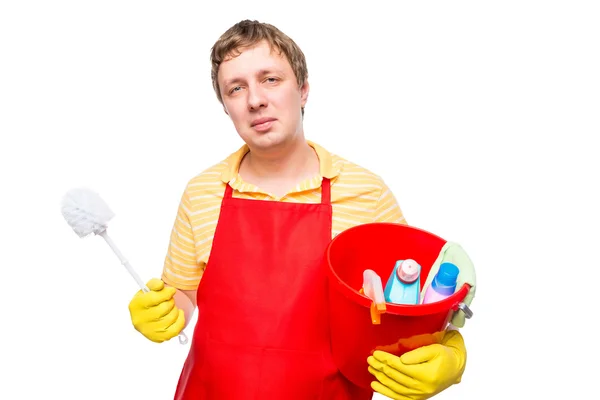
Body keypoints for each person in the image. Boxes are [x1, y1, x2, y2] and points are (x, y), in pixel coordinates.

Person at [127, 19, 467, 400]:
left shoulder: (366, 194)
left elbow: (416, 302)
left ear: (303, 90)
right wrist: (165, 309)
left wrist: (452, 354)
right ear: (226, 107)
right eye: (236, 88)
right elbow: (184, 293)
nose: (255, 99)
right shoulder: (202, 193)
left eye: (270, 79)